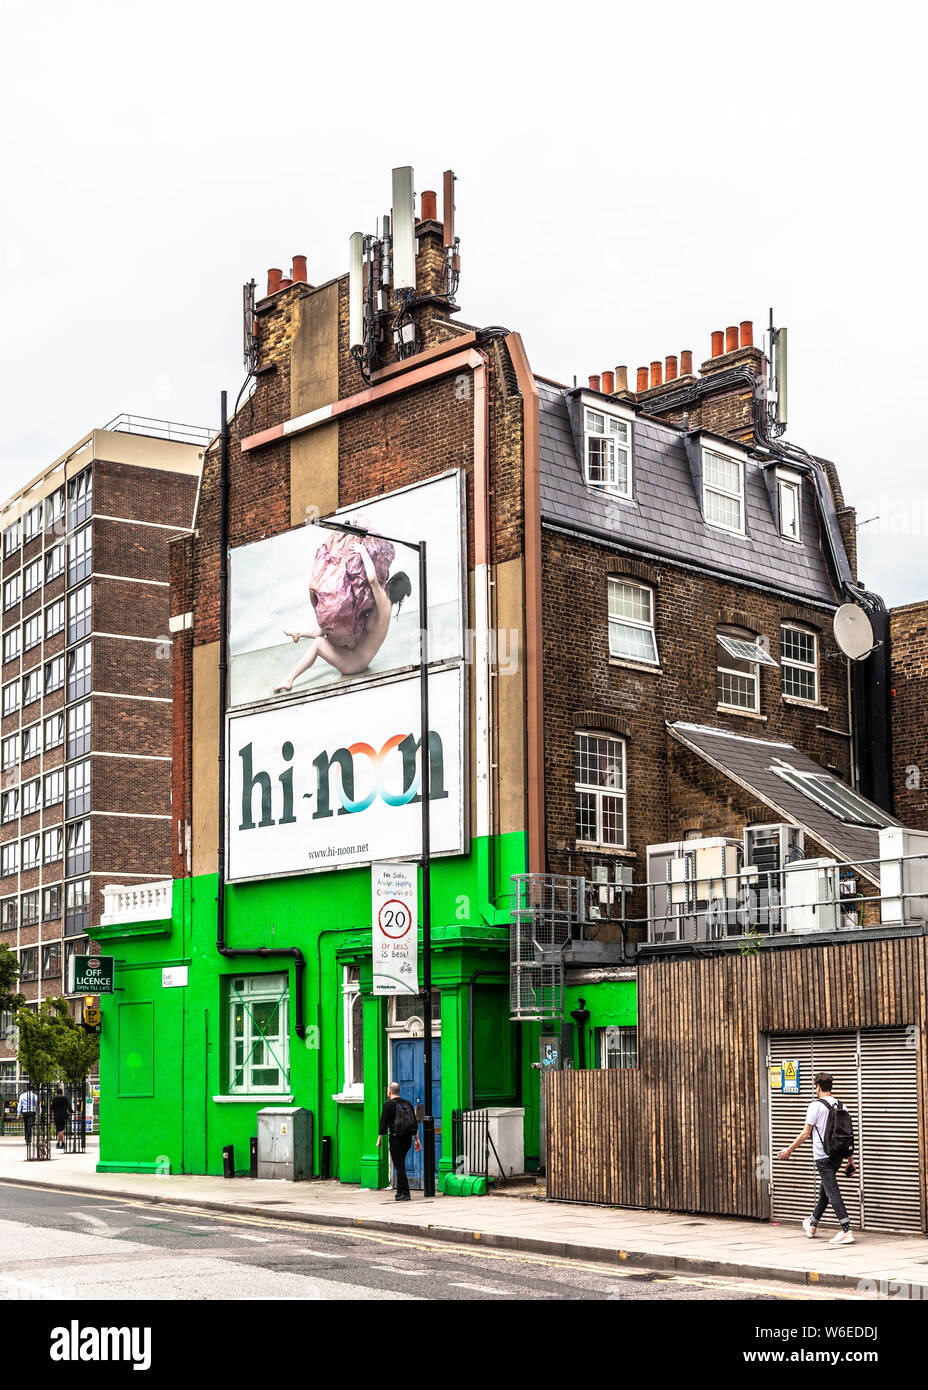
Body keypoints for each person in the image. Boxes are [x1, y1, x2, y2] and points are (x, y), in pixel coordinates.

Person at [274, 543, 411, 691]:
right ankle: (299, 633)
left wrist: (362, 551)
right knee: (333, 623)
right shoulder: (384, 607)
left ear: (391, 585)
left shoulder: (384, 603)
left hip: (353, 662)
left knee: (319, 644)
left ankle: (289, 680)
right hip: (353, 653)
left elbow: (372, 580)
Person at [778, 1070, 856, 1245]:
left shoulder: (815, 1105)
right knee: (825, 1191)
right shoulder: (842, 1105)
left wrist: (789, 1149)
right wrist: (850, 1160)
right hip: (837, 1155)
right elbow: (847, 1135)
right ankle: (812, 1224)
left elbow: (806, 1133)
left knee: (832, 1190)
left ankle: (846, 1231)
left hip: (822, 1156)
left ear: (818, 1087)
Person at [376, 1081, 421, 1202]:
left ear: (389, 1091)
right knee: (400, 1165)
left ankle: (405, 1193)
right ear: (398, 1091)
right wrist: (417, 1140)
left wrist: (379, 1139)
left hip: (396, 1138)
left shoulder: (388, 1105)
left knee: (399, 1166)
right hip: (407, 1140)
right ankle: (400, 1192)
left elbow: (383, 1123)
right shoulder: (408, 1104)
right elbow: (414, 1124)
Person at [16, 1085, 39, 1150]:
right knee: (30, 1125)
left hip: (25, 1112)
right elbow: (37, 1104)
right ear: (32, 1089)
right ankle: (28, 1139)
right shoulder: (34, 1096)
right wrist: (39, 1110)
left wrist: (18, 1114)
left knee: (26, 1125)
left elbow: (20, 1105)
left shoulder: (22, 1095)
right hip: (32, 1112)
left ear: (27, 1089)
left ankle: (26, 1137)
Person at [51, 1086, 72, 1151]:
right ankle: (60, 1143)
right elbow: (68, 1106)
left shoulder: (54, 1099)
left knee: (60, 1131)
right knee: (61, 1130)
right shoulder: (64, 1099)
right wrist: (72, 1111)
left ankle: (61, 1143)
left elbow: (52, 1108)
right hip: (64, 1116)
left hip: (57, 1116)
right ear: (62, 1093)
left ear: (57, 1093)